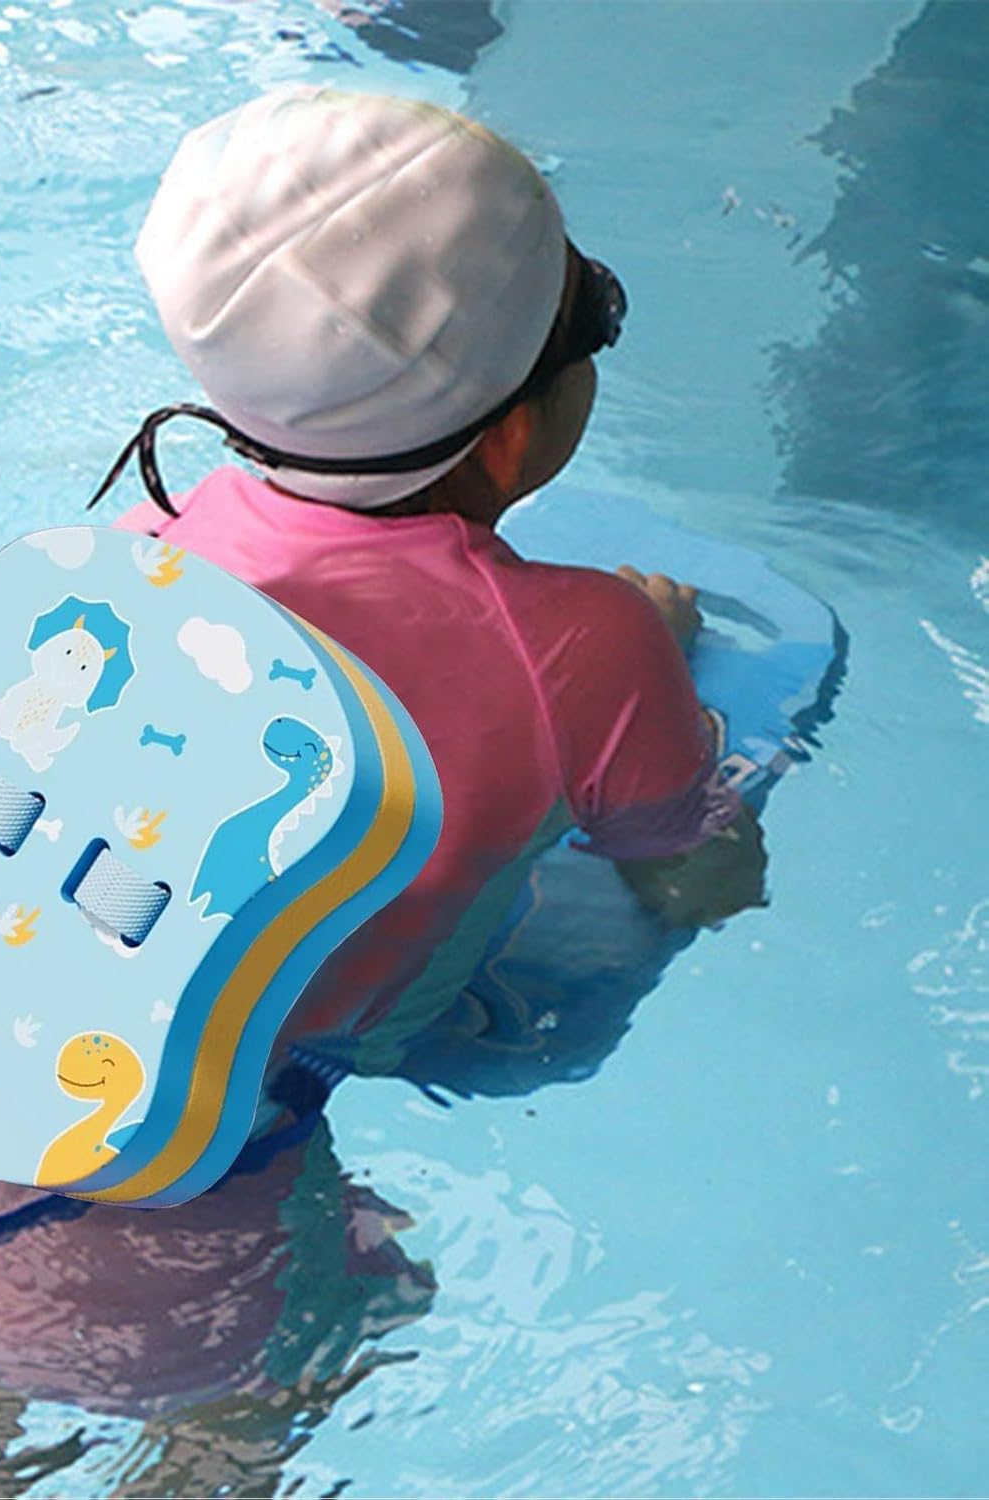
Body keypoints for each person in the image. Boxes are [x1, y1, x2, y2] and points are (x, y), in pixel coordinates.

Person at [95, 85, 767, 1083]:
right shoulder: (588, 643)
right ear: (510, 440)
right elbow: (704, 884)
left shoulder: (145, 545)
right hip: (230, 1125)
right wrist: (655, 678)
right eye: (594, 313)